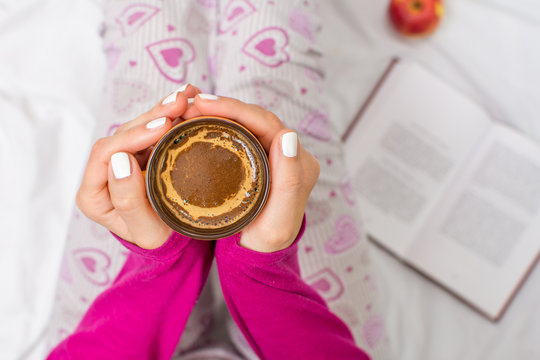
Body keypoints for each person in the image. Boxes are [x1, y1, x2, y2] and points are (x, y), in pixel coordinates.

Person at [45, 0, 389, 359]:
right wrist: (263, 271)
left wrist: (160, 261)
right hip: (304, 335)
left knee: (149, 56)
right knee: (274, 73)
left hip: (122, 333)